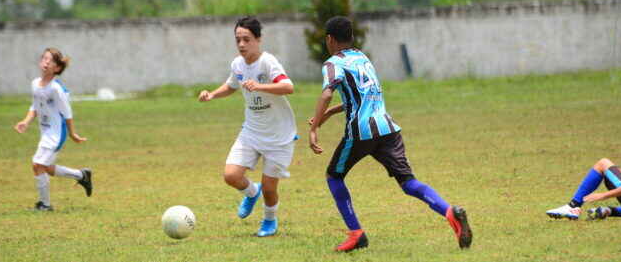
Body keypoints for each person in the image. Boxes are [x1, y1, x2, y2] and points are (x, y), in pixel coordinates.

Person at [308, 16, 472, 252]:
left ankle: (356, 234)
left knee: (334, 176)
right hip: (387, 128)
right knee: (408, 182)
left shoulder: (333, 63)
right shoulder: (363, 58)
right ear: (352, 37)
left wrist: (314, 129)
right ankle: (449, 212)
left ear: (329, 39)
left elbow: (326, 93)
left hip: (361, 133)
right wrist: (331, 113)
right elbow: (361, 95)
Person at [198, 16, 297, 237]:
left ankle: (269, 221)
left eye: (247, 39)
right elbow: (232, 85)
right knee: (231, 175)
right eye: (238, 40)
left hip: (278, 135)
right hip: (252, 131)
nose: (242, 44)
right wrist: (212, 95)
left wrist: (260, 86)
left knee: (271, 189)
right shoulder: (237, 64)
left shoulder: (267, 62)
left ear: (258, 39)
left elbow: (288, 86)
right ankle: (252, 193)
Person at [14, 48, 92, 211]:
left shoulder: (56, 89)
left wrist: (72, 134)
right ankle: (81, 175)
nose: (46, 62)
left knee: (37, 165)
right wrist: (26, 121)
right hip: (45, 132)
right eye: (44, 58)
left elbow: (67, 113)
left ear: (57, 68)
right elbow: (35, 106)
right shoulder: (35, 84)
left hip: (57, 133)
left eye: (51, 60)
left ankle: (45, 205)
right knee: (46, 168)